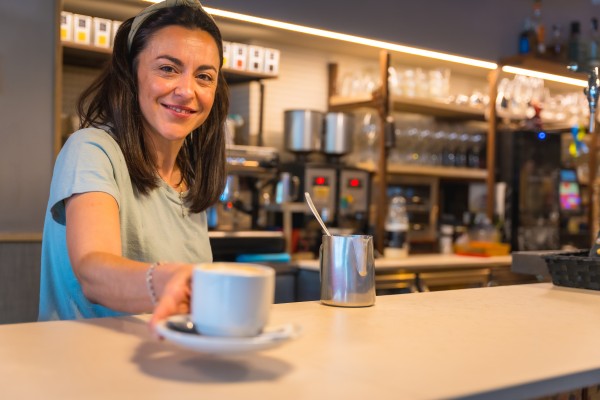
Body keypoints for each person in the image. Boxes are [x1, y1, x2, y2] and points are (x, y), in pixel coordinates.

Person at [38, 0, 228, 322]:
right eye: (168, 69)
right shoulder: (91, 149)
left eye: (204, 76)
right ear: (131, 73)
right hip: (84, 353)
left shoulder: (190, 177)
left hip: (165, 351)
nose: (187, 90)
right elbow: (93, 271)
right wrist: (165, 281)